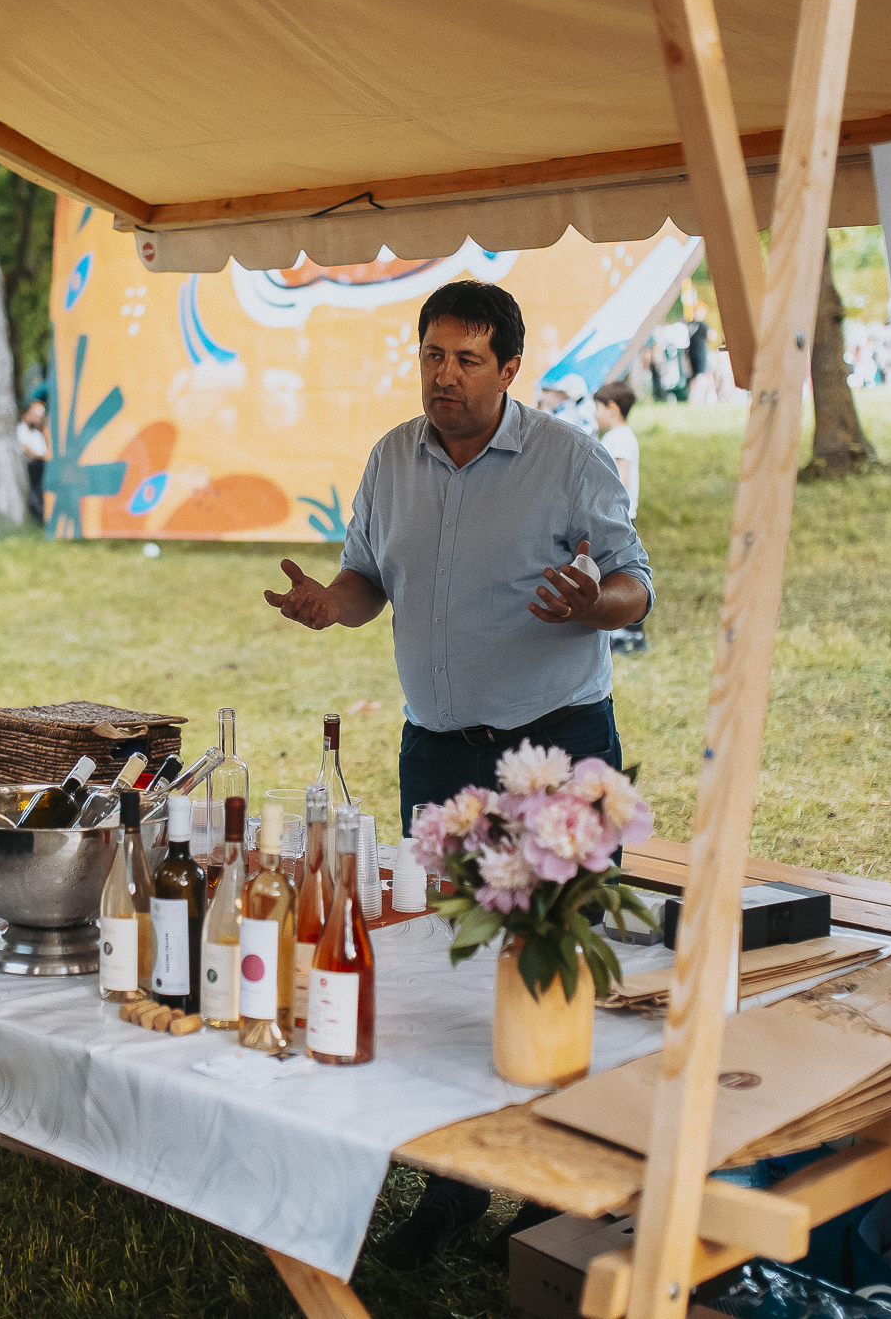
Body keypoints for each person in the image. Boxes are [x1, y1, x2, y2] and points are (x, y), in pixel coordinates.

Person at [263, 280, 651, 1270]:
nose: (444, 376)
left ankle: (555, 1195)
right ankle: (451, 1185)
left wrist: (590, 604)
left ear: (509, 368)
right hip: (437, 750)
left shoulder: (569, 458)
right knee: (446, 962)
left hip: (554, 746)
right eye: (432, 355)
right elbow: (366, 579)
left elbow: (634, 584)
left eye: (467, 359)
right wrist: (329, 604)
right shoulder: (392, 458)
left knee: (558, 965)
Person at [594, 379, 647, 653]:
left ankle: (631, 635)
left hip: (619, 518)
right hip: (616, 516)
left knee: (619, 572)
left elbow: (620, 479)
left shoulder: (620, 438)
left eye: (598, 408)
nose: (594, 414)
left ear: (612, 409)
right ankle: (620, 632)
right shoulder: (616, 436)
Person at [18, 394, 51, 523]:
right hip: (31, 467)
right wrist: (43, 456)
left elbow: (45, 451)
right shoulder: (20, 430)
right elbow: (27, 450)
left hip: (41, 465)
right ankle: (40, 514)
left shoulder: (37, 433)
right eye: (36, 415)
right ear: (26, 414)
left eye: (40, 416)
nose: (38, 419)